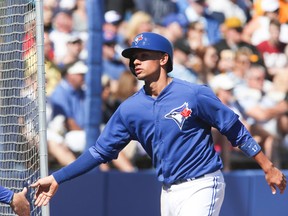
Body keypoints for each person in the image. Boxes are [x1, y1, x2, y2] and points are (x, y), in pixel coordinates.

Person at [31, 32, 286, 216]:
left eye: (143, 56)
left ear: (163, 59)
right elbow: (99, 152)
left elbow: (234, 128)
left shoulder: (193, 93)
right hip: (168, 192)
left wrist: (267, 166)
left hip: (202, 183)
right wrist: (57, 177)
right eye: (133, 58)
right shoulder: (130, 108)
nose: (136, 62)